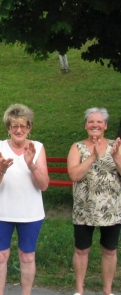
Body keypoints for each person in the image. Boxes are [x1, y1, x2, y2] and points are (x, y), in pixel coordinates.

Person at [0, 103, 49, 295]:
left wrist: (31, 165)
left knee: (27, 257)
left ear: (29, 128)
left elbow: (44, 185)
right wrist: (1, 169)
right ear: (8, 128)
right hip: (1, 211)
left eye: (23, 125)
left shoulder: (37, 147)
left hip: (30, 213)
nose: (19, 130)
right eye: (14, 126)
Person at [67, 107, 121, 295]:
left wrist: (115, 158)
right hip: (84, 208)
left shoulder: (117, 145)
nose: (95, 125)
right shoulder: (77, 147)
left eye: (99, 122)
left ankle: (107, 291)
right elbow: (74, 175)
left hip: (111, 210)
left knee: (110, 251)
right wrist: (92, 157)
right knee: (81, 250)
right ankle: (79, 291)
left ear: (105, 125)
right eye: (91, 121)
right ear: (86, 125)